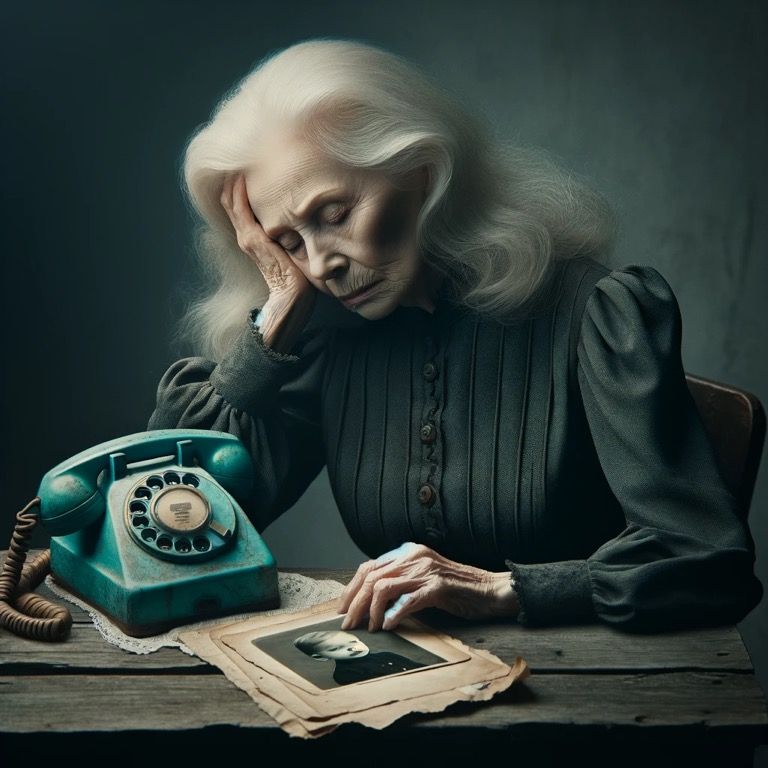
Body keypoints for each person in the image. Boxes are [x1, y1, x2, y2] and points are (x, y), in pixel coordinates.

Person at [147, 38, 762, 634]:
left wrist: (500, 590)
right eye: (288, 243)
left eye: (334, 216)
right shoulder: (330, 336)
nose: (321, 264)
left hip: (596, 688)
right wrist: (274, 318)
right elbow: (178, 519)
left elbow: (706, 560)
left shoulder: (592, 311)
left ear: (420, 169)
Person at [293, 629, 425, 685]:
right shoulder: (344, 674)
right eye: (335, 649)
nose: (351, 648)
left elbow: (418, 667)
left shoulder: (386, 655)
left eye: (353, 642)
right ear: (320, 657)